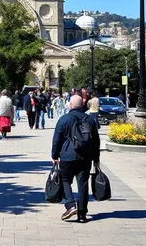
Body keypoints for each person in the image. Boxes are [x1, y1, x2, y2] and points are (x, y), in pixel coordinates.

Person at [51, 95, 100, 223]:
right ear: (82, 105)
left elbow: (57, 139)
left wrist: (54, 156)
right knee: (83, 183)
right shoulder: (89, 119)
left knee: (65, 179)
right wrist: (96, 158)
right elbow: (96, 141)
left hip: (67, 156)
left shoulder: (64, 119)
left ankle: (70, 205)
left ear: (71, 105)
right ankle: (82, 214)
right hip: (85, 157)